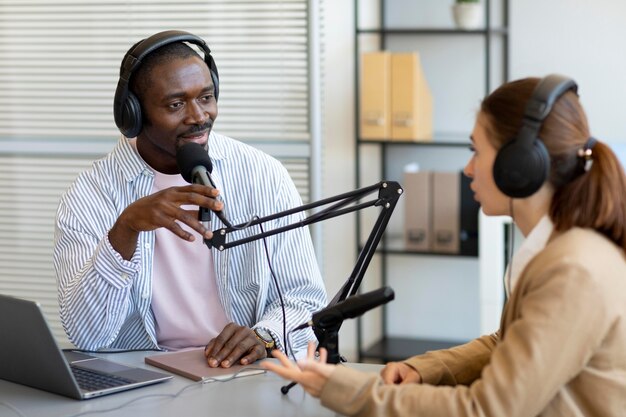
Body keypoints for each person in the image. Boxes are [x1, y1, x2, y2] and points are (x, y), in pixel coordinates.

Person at [263, 75, 626, 416]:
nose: (468, 169)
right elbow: (506, 345)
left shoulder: (572, 270)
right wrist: (423, 369)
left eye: (476, 151)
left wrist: (349, 389)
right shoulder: (556, 248)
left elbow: (486, 409)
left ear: (518, 165)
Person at [54, 30, 327, 368]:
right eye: (176, 104)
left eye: (206, 97)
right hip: (142, 373)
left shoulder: (262, 175)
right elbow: (87, 336)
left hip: (242, 370)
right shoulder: (90, 193)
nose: (198, 116)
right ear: (133, 115)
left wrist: (265, 335)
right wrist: (125, 228)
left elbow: (305, 298)